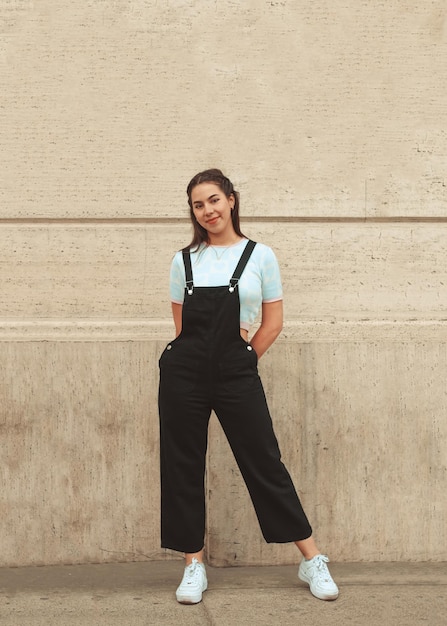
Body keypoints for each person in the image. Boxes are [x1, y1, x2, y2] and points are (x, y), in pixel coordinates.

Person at [158, 168, 339, 604]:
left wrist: (243, 360)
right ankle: (193, 565)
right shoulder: (183, 261)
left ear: (231, 200)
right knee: (182, 465)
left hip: (236, 371)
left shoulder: (261, 256)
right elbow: (182, 328)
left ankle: (310, 557)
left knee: (264, 460)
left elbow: (273, 323)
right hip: (185, 372)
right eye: (198, 205)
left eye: (214, 200)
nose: (208, 211)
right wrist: (198, 361)